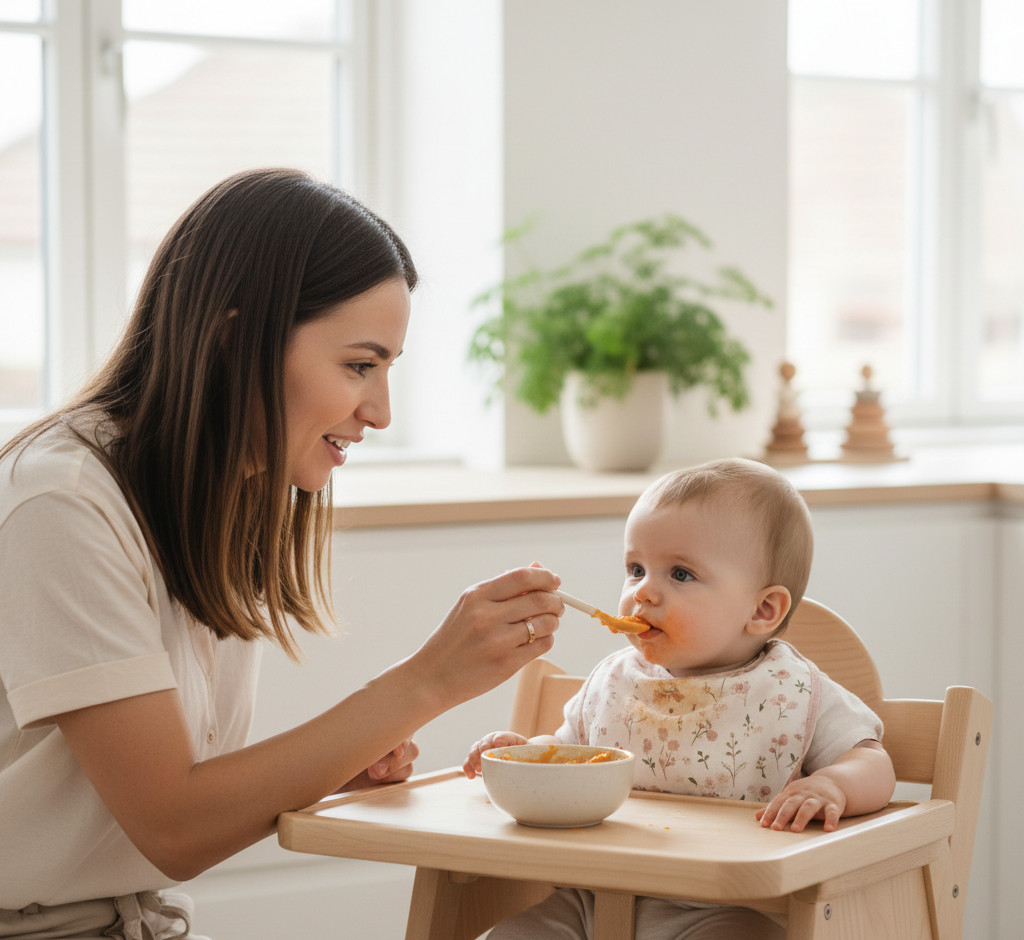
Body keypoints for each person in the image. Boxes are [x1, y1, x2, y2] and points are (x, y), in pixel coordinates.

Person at [0, 167, 564, 939]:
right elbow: (173, 825)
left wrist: (332, 763)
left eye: (387, 370)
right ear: (236, 341)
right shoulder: (60, 502)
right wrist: (429, 681)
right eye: (359, 365)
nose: (380, 412)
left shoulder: (217, 493)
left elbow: (179, 800)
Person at [464, 457, 896, 940]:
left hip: (726, 906)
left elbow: (874, 763)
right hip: (587, 898)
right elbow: (568, 755)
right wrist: (519, 753)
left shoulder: (791, 690)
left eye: (681, 574)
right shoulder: (613, 682)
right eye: (636, 568)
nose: (644, 592)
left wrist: (833, 787)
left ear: (763, 609)